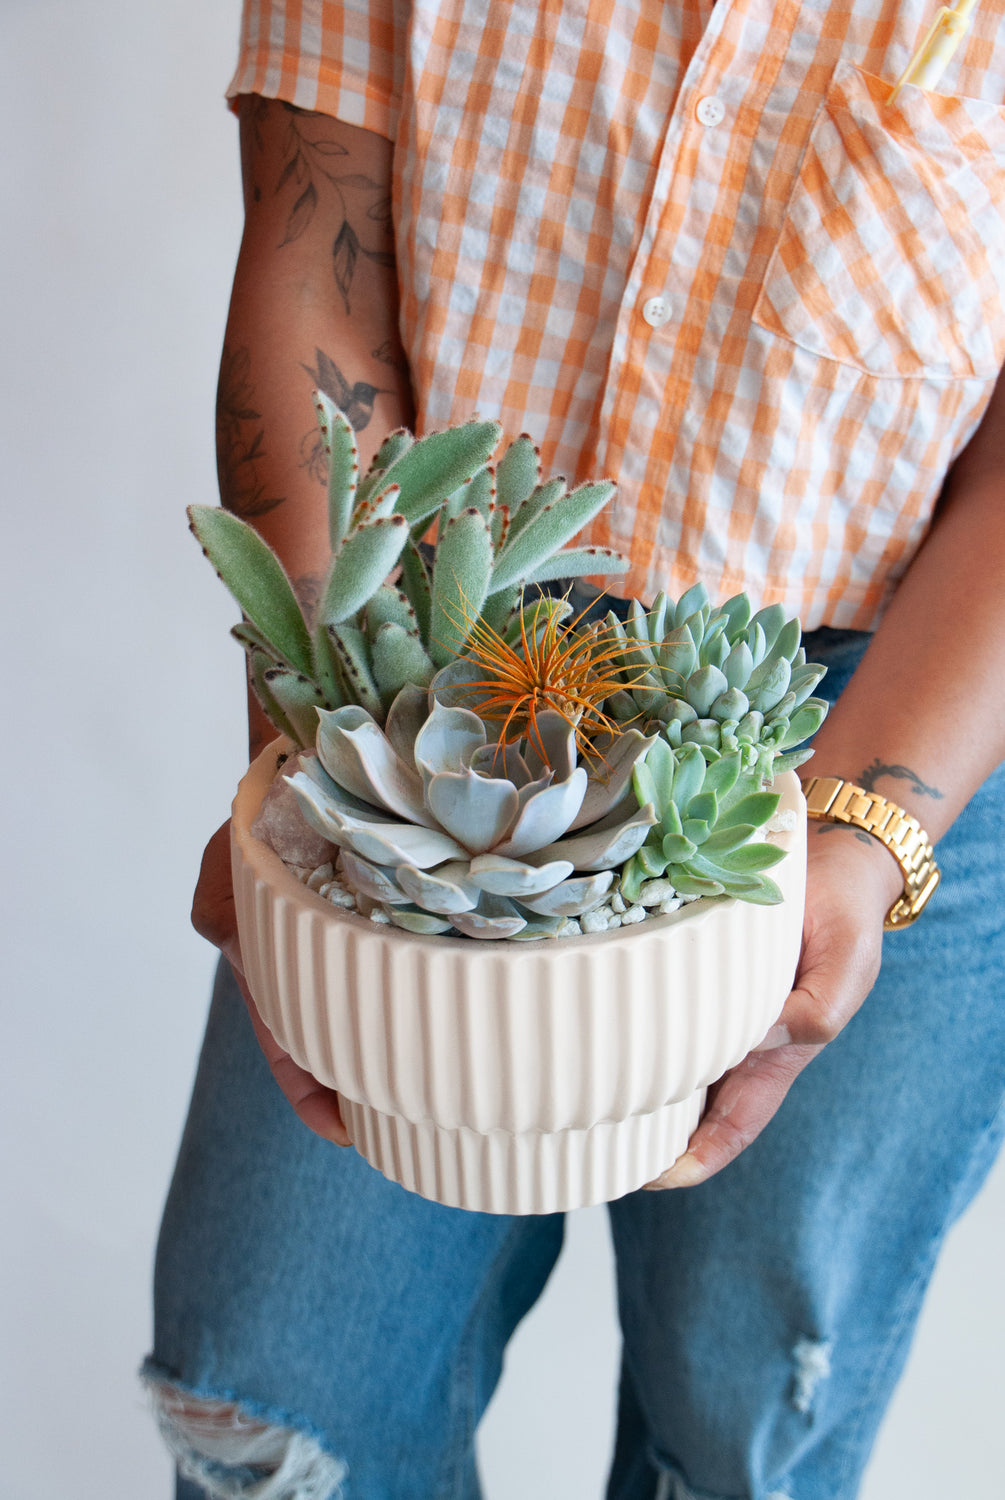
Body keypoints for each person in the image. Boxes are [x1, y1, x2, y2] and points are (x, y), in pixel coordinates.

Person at [143, 0, 1005, 1495]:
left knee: (740, 1425)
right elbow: (314, 259)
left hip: (892, 697)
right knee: (272, 1388)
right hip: (433, 683)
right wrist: (320, 751)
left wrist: (868, 832)